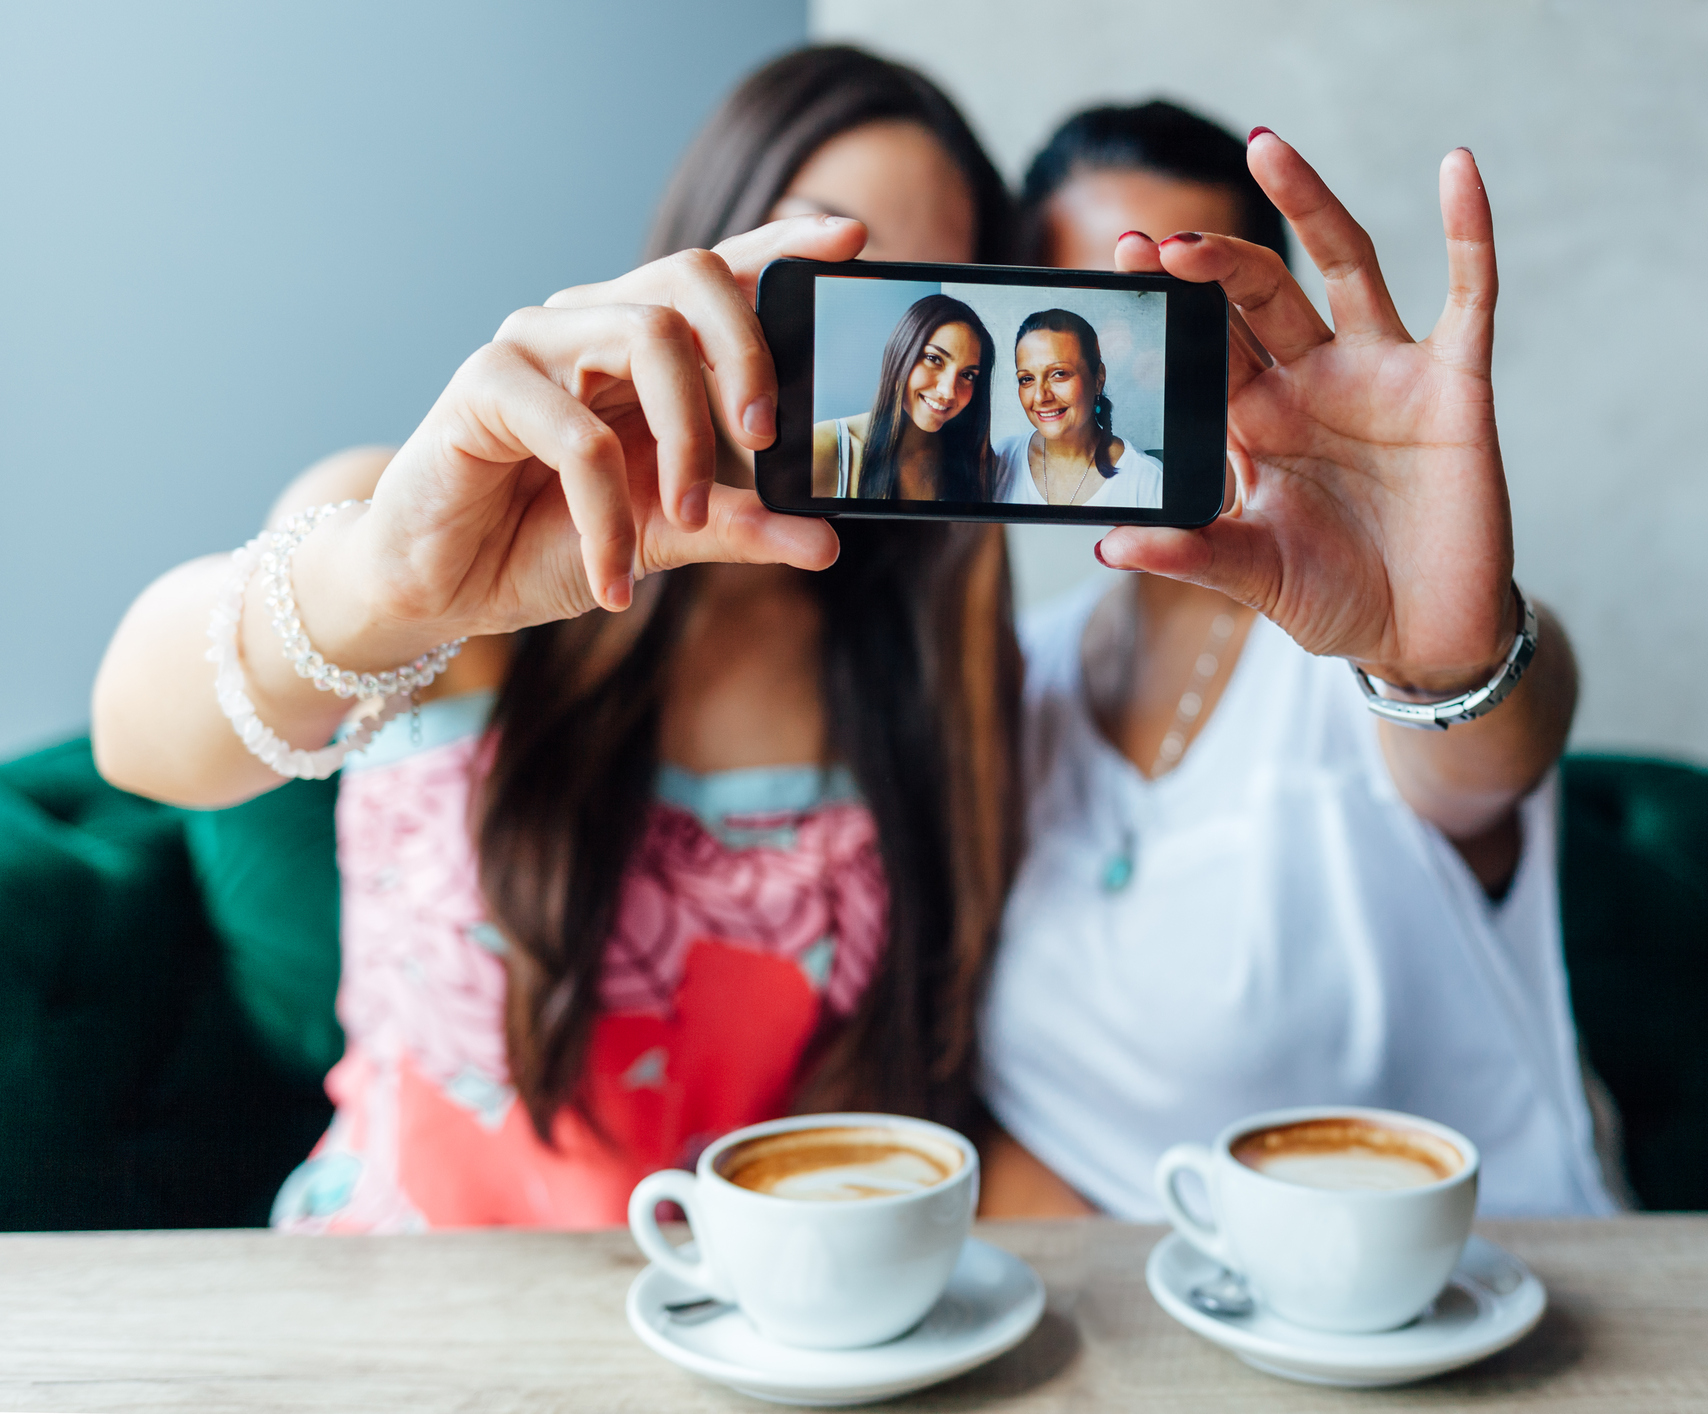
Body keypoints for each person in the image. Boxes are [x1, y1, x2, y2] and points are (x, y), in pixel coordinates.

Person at [90, 46, 1024, 1232]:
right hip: (392, 1315)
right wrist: (390, 583)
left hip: (736, 1338)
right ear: (713, 243)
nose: (867, 332)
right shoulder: (445, 530)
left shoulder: (936, 671)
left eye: (923, 295)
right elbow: (142, 739)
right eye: (820, 255)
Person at [975, 102, 1619, 1219]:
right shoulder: (1021, 676)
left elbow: (1487, 754)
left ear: (1250, 334)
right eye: (1076, 309)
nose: (1103, 360)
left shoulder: (1346, 642)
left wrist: (1447, 661)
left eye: (1166, 313)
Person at [810, 293, 996, 500]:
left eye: (968, 375)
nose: (948, 391)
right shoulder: (822, 448)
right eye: (934, 359)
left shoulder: (977, 462)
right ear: (901, 352)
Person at [995, 308, 1164, 509]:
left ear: (1099, 378)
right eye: (1027, 379)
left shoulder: (1148, 481)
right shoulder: (1000, 460)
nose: (1040, 396)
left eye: (1059, 373)